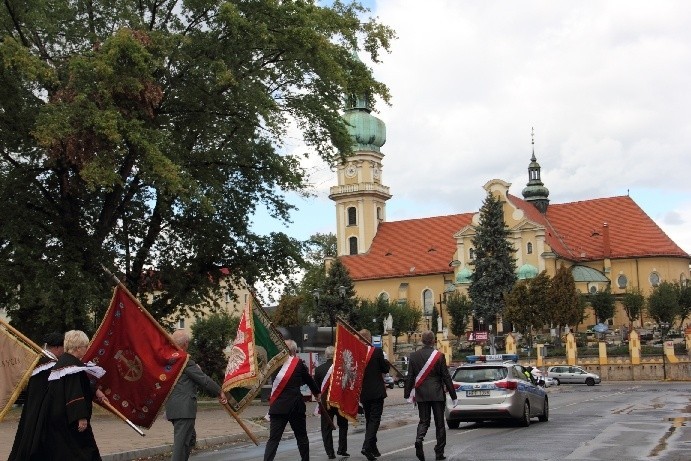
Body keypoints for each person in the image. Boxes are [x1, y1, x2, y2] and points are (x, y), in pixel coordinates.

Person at [44, 329, 107, 461]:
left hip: (60, 417)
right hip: (72, 420)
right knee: (85, 451)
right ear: (78, 348)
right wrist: (81, 417)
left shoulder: (64, 362)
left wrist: (96, 390)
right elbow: (74, 392)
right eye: (85, 346)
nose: (87, 349)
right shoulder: (71, 367)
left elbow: (80, 384)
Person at [165, 330, 227, 461]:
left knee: (190, 439)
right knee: (181, 445)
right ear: (186, 344)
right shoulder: (184, 360)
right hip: (184, 409)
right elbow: (203, 379)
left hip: (174, 407)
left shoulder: (170, 359)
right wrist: (219, 391)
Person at [8, 331, 64, 461]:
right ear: (56, 347)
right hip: (41, 407)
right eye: (63, 348)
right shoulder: (48, 364)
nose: (64, 351)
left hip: (34, 406)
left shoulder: (40, 360)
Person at [404, 330, 457, 461]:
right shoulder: (439, 356)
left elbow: (410, 377)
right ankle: (439, 453)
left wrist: (407, 394)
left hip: (421, 393)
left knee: (424, 421)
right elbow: (446, 377)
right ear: (433, 341)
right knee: (439, 424)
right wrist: (453, 395)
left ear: (422, 340)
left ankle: (419, 439)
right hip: (437, 393)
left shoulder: (414, 356)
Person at [264, 339, 320, 461]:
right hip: (295, 406)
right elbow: (309, 380)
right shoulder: (298, 363)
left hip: (278, 406)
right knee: (301, 437)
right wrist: (317, 393)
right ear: (294, 352)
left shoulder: (275, 364)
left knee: (274, 439)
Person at [359, 328, 390, 461]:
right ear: (370, 339)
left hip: (364, 393)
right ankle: (366, 446)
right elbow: (385, 369)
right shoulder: (376, 352)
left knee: (369, 420)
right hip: (376, 392)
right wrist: (386, 361)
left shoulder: (357, 353)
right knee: (374, 420)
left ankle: (373, 447)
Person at [313, 345, 349, 459]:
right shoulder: (342, 369)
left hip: (325, 402)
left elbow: (316, 388)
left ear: (326, 355)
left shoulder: (319, 370)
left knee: (326, 428)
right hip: (340, 401)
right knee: (343, 425)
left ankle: (330, 452)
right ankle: (342, 449)